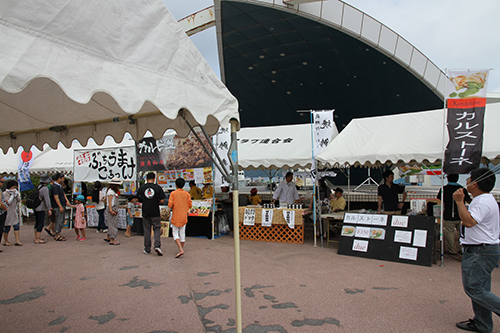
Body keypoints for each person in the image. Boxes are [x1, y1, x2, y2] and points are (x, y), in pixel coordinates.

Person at [453, 168, 500, 333]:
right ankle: (482, 324)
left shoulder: (482, 201)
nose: (467, 181)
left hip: (480, 252)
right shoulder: (483, 199)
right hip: (483, 250)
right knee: (481, 288)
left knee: (474, 288)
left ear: (476, 183)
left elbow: (470, 222)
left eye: (469, 178)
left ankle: (484, 322)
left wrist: (459, 202)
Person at [437, 174, 471, 255]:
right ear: (457, 179)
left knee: (449, 233)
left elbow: (439, 199)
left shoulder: (444, 189)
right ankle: (463, 249)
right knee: (463, 233)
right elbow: (469, 200)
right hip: (461, 215)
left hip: (448, 214)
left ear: (448, 179)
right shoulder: (462, 189)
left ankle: (452, 250)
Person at [137, 172, 166, 255]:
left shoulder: (142, 187)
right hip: (155, 212)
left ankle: (147, 249)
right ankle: (157, 246)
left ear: (146, 178)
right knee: (157, 229)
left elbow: (139, 199)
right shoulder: (158, 188)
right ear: (154, 178)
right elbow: (162, 200)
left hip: (145, 212)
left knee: (147, 230)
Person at [168, 177, 192, 258]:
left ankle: (180, 249)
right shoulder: (187, 194)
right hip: (184, 216)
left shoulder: (173, 193)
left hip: (175, 215)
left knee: (175, 232)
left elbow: (170, 205)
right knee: (182, 232)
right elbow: (190, 205)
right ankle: (180, 249)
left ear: (176, 185)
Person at [51, 173, 73, 241]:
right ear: (59, 178)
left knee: (61, 220)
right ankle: (57, 234)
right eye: (62, 178)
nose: (63, 180)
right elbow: (56, 197)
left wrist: (67, 201)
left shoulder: (59, 186)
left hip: (63, 204)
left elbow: (63, 194)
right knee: (59, 220)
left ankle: (58, 233)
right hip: (57, 206)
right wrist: (60, 206)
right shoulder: (54, 187)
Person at [34, 173, 52, 244]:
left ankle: (36, 237)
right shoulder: (45, 188)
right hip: (41, 207)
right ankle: (37, 239)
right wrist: (49, 208)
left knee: (37, 222)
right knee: (41, 223)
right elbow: (47, 199)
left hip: (36, 207)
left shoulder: (39, 187)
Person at [2, 180, 21, 246]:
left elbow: (19, 200)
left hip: (14, 211)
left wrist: (17, 195)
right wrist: (12, 195)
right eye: (13, 187)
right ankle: (5, 240)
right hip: (8, 212)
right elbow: (8, 202)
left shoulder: (15, 193)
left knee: (16, 226)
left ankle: (17, 240)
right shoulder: (5, 193)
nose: (14, 189)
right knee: (7, 227)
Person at [104, 178, 122, 245]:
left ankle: (108, 236)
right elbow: (110, 202)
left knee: (111, 223)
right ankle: (112, 239)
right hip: (112, 208)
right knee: (112, 224)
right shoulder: (110, 192)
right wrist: (111, 210)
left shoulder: (112, 191)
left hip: (113, 208)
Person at [0, 177, 8, 252]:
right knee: (0, 228)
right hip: (1, 212)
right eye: (1, 182)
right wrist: (5, 208)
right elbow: (0, 203)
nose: (2, 183)